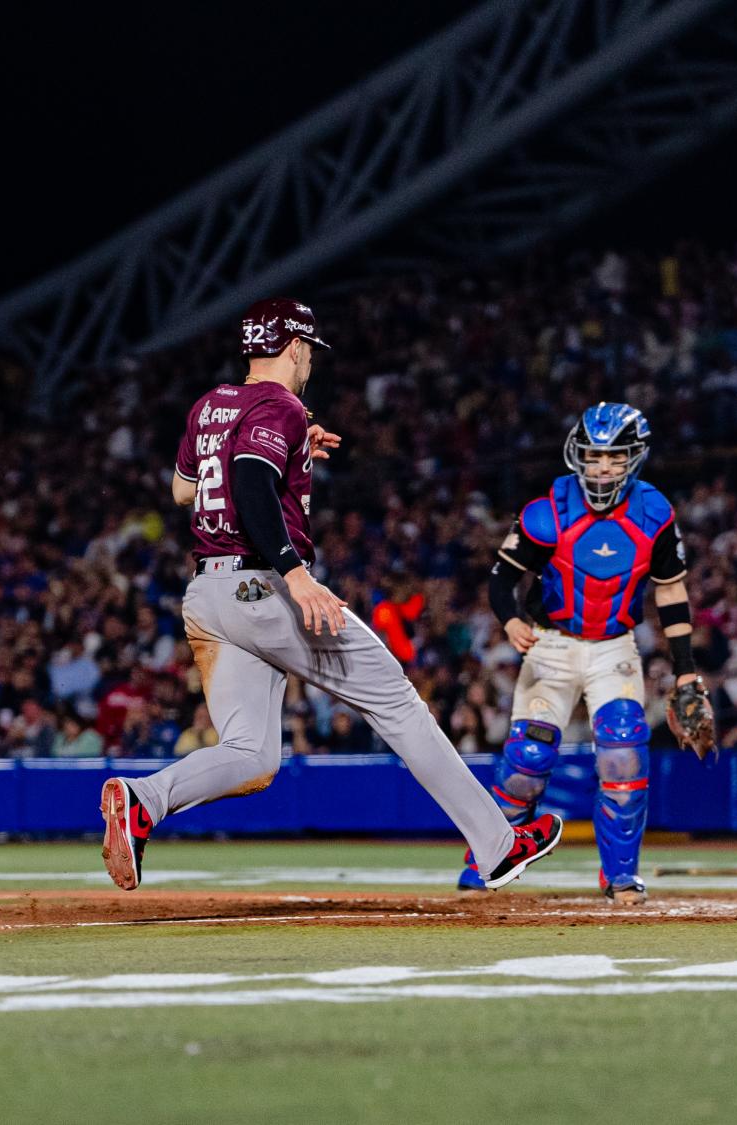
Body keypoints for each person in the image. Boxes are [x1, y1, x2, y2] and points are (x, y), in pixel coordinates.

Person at [99, 297, 563, 891]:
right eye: (310, 350)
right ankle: (497, 845)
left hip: (208, 596)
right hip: (263, 589)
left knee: (252, 755)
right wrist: (294, 572)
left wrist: (289, 451)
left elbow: (182, 492)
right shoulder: (281, 403)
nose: (311, 360)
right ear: (295, 347)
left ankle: (143, 801)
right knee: (395, 701)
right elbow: (249, 482)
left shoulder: (211, 404)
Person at [456, 402, 712, 904]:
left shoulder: (655, 512)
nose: (601, 468)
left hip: (613, 647)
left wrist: (685, 672)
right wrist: (509, 619)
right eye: (594, 456)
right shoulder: (548, 510)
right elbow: (503, 576)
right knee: (527, 760)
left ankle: (620, 875)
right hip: (550, 643)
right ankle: (488, 858)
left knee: (623, 752)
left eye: (614, 458)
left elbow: (672, 592)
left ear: (634, 458)